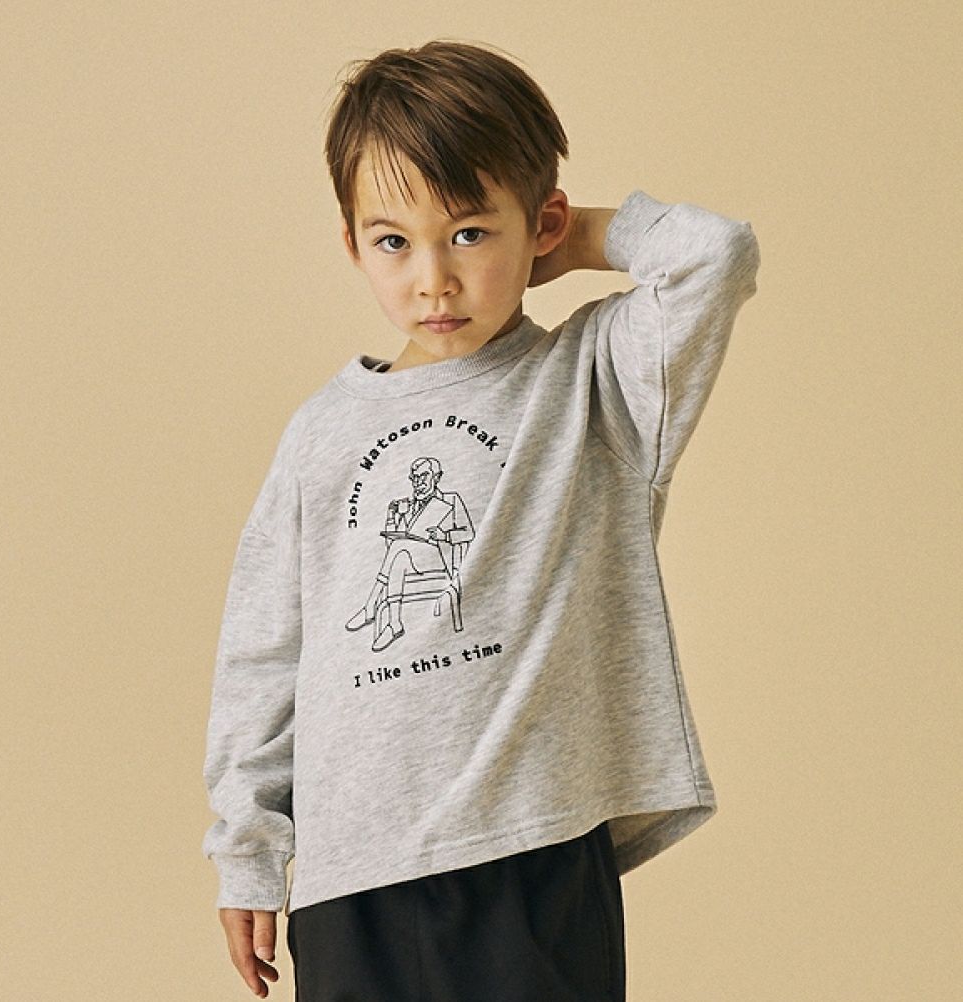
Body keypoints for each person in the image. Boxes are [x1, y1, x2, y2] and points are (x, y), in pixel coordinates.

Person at [201, 38, 760, 1002]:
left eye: (467, 233)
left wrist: (570, 240)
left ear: (539, 223)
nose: (434, 280)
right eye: (393, 242)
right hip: (353, 869)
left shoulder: (597, 383)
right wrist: (247, 850)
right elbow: (264, 650)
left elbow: (716, 253)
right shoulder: (322, 432)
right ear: (351, 244)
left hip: (530, 848)